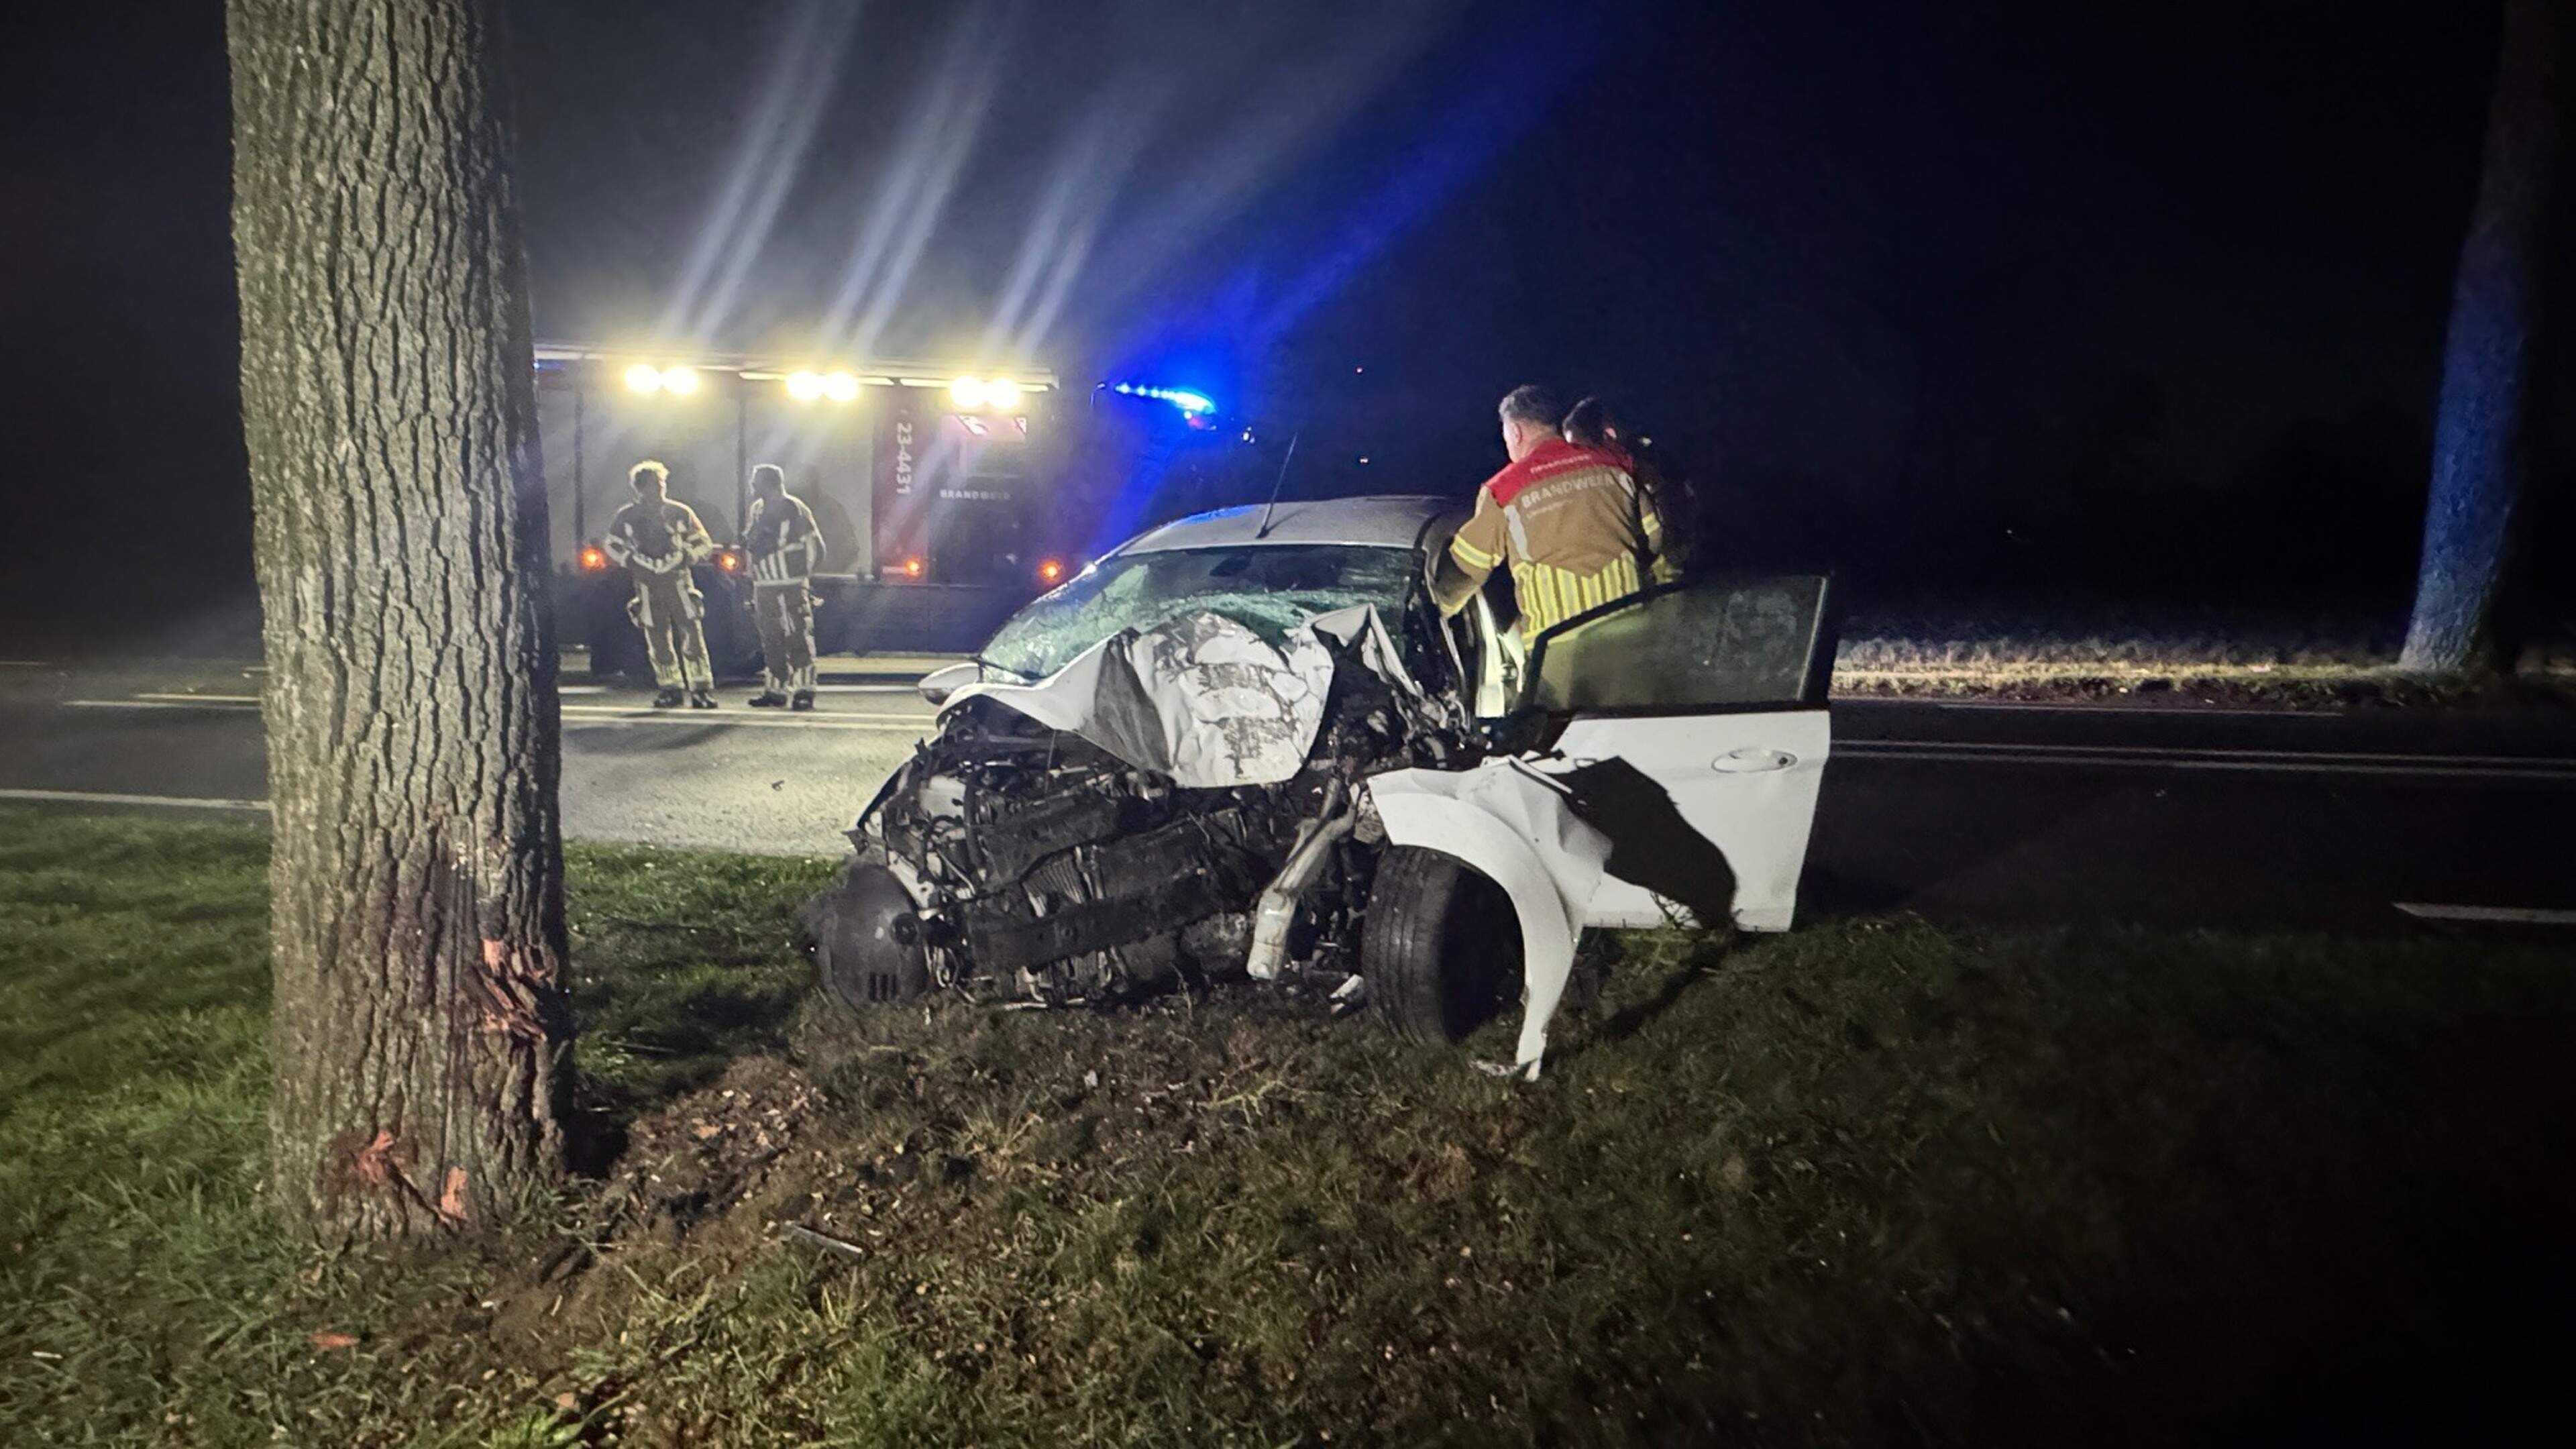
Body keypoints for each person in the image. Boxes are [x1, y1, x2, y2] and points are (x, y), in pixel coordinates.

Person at [1432, 384, 1670, 639]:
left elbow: (1466, 569)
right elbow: (1658, 537)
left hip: (1561, 651)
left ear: (1515, 432)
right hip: (1634, 635)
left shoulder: (1504, 490)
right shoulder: (1615, 465)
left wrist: (1440, 610)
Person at [601, 459, 718, 708]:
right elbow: (611, 544)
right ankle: (670, 688)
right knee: (657, 640)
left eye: (662, 483)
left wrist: (687, 556)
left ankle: (701, 689)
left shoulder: (680, 512)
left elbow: (704, 543)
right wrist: (629, 559)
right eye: (655, 484)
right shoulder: (627, 516)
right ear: (641, 488)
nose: (661, 488)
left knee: (692, 635)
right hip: (646, 586)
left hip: (679, 584)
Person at [1561, 396, 1690, 574]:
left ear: (1609, 434)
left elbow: (1664, 535)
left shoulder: (1641, 469)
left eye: (1581, 447)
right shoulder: (1645, 459)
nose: (1577, 458)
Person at [740, 463, 824, 710]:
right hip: (764, 585)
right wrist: (752, 575)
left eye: (757, 482)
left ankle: (804, 689)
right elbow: (752, 545)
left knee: (797, 634)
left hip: (790, 585)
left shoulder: (794, 509)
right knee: (770, 637)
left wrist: (802, 576)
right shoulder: (757, 510)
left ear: (771, 483)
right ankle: (775, 689)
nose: (753, 487)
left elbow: (815, 545)